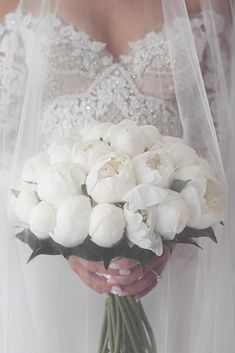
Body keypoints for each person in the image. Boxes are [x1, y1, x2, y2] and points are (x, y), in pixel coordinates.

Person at [0, 1, 234, 353]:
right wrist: (66, 232)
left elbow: (218, 151)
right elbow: (7, 147)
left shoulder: (208, 6)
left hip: (172, 272)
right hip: (48, 274)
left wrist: (167, 233)